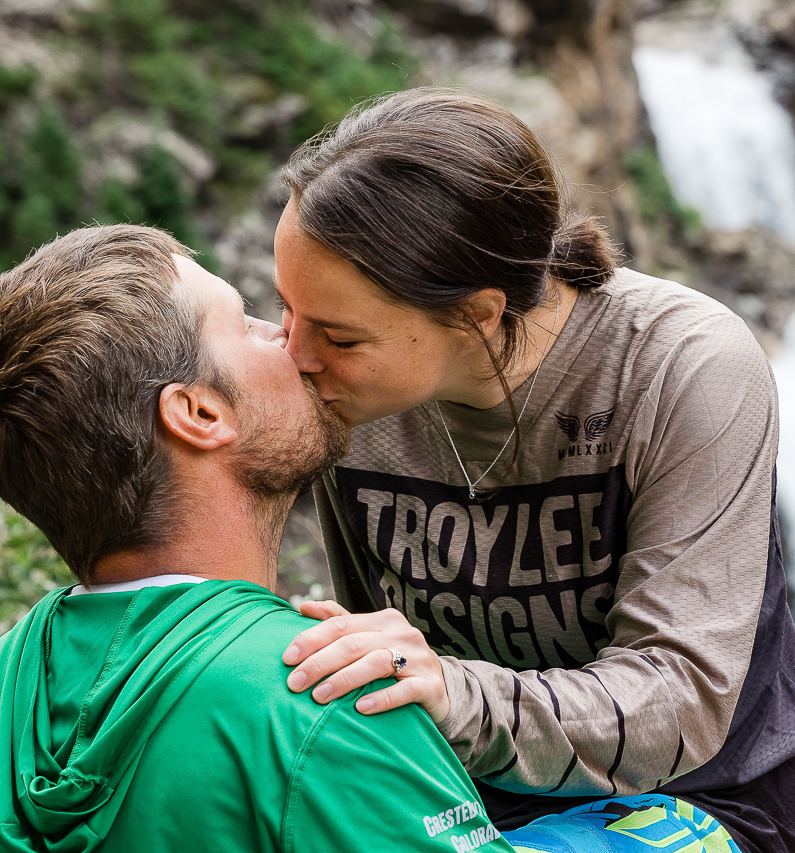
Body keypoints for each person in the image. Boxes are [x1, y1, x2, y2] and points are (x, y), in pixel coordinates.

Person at [273, 90, 795, 853]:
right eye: (285, 311)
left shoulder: (679, 365)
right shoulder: (339, 386)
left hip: (692, 799)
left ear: (476, 314)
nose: (295, 358)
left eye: (337, 334)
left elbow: (682, 697)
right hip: (450, 789)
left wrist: (452, 691)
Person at [0, 225, 514, 853]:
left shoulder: (11, 681)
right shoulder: (327, 701)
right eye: (246, 325)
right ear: (201, 415)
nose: (290, 342)